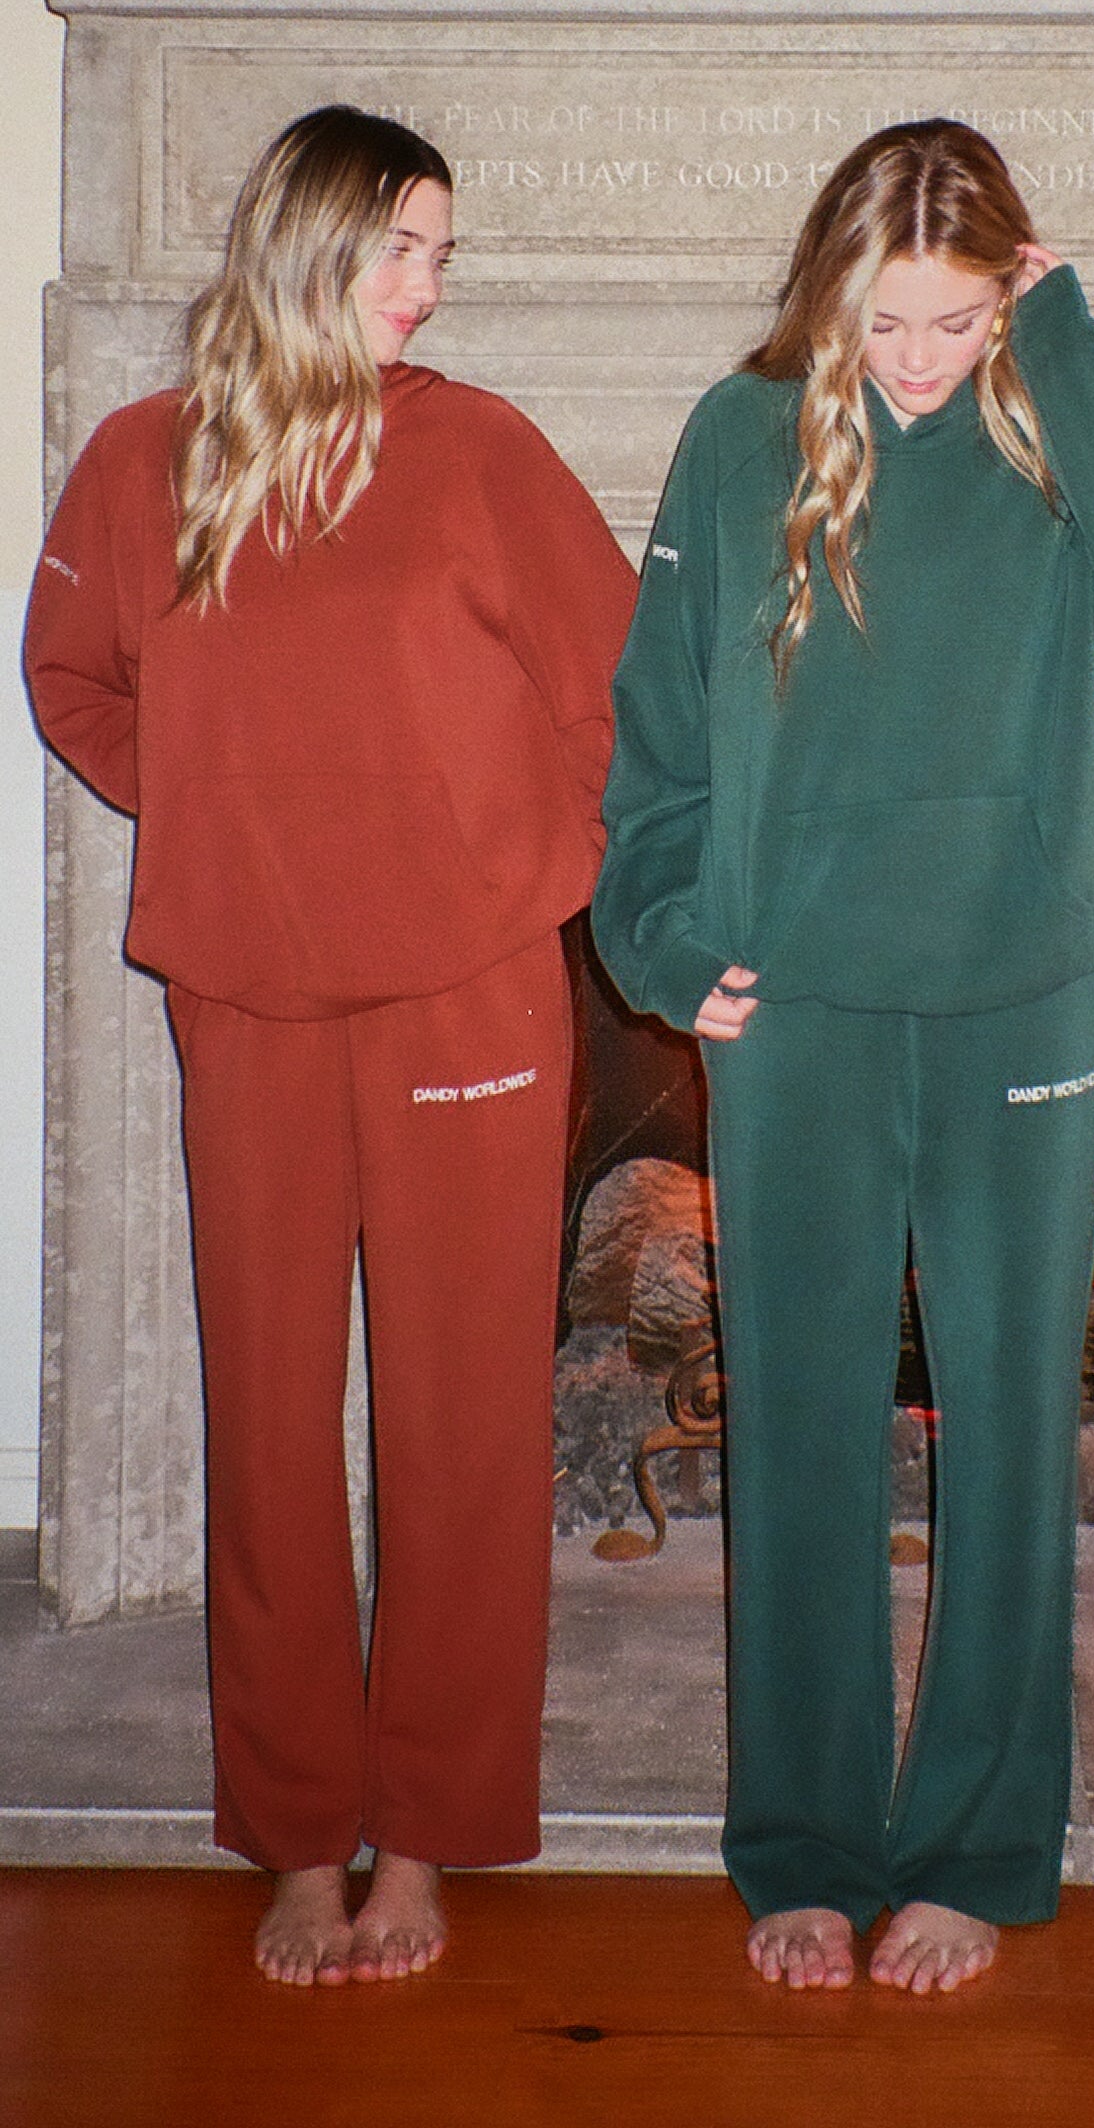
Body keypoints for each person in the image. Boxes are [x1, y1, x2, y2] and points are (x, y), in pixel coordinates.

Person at [593, 118, 1094, 1994]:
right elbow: (656, 730)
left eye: (958, 321)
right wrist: (659, 934)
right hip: (789, 1008)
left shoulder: (1050, 423)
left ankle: (974, 1844)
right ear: (830, 289)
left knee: (1010, 1424)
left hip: (1020, 999)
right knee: (794, 1424)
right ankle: (800, 1840)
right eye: (887, 321)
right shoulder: (739, 440)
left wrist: (1074, 345)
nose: (919, 360)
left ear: (1007, 299)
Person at [26, 107, 636, 1986]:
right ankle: (296, 1834)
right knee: (272, 1424)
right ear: (307, 245)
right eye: (403, 251)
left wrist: (525, 865)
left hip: (471, 998)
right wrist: (212, 818)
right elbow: (71, 682)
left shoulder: (479, 451)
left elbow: (621, 696)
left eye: (440, 256)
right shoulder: (142, 465)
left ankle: (432, 1835)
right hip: (251, 1000)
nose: (428, 288)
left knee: (459, 1432)